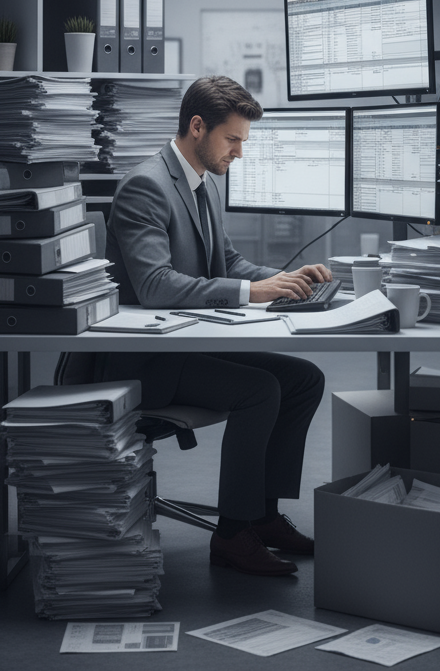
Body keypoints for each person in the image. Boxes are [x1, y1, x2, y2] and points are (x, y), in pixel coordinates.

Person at [98, 75, 332, 577]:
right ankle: (232, 534)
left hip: (187, 343)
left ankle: (263, 516)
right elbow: (156, 284)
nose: (239, 153)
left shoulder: (202, 182)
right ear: (198, 127)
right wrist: (252, 292)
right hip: (148, 360)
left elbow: (226, 262)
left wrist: (284, 280)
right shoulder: (146, 186)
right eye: (233, 140)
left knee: (303, 379)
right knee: (260, 390)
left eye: (243, 141)